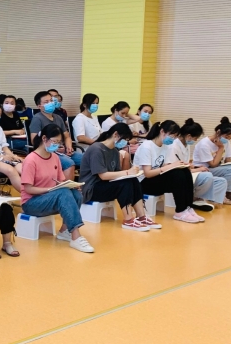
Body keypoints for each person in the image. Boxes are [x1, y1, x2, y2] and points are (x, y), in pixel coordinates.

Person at [20, 123, 94, 253]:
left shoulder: (54, 157)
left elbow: (61, 180)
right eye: (55, 141)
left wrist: (72, 186)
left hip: (48, 198)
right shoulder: (31, 160)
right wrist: (50, 190)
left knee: (75, 194)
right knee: (62, 193)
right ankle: (76, 236)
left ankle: (64, 230)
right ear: (44, 138)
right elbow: (28, 189)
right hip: (31, 203)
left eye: (59, 142)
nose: (57, 145)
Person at [79, 124, 158, 231]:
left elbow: (116, 174)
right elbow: (103, 176)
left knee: (133, 180)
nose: (125, 142)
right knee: (125, 183)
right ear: (115, 134)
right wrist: (127, 172)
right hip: (91, 189)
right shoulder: (96, 149)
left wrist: (130, 174)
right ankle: (128, 220)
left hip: (104, 185)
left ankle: (141, 216)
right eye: (125, 139)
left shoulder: (115, 151)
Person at [133, 120, 203, 223]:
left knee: (185, 171)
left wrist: (179, 165)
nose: (173, 139)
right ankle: (180, 211)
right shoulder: (147, 146)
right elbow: (147, 173)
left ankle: (188, 207)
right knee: (177, 174)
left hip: (155, 179)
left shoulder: (165, 147)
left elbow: (164, 165)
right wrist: (171, 166)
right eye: (172, 136)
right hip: (142, 183)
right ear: (162, 131)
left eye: (175, 136)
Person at [172, 119, 228, 208]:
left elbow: (185, 164)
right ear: (189, 136)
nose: (196, 140)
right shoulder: (174, 146)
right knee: (207, 175)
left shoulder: (186, 145)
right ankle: (194, 199)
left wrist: (194, 167)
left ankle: (209, 201)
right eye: (195, 138)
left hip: (188, 172)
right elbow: (176, 168)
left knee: (221, 181)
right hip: (179, 175)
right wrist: (198, 169)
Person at [192, 117, 231, 204]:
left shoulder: (226, 142)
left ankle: (230, 193)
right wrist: (221, 148)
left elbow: (228, 160)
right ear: (218, 132)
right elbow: (213, 164)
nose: (227, 140)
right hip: (204, 170)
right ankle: (225, 195)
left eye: (230, 138)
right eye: (226, 137)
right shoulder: (204, 144)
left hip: (216, 168)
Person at [29, 91, 82, 179]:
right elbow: (34, 141)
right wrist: (55, 148)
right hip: (49, 152)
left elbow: (67, 136)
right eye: (46, 102)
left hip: (63, 150)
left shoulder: (58, 117)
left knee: (86, 158)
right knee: (69, 163)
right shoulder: (37, 119)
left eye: (51, 100)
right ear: (39, 106)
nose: (50, 103)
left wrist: (68, 147)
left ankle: (86, 185)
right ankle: (66, 186)